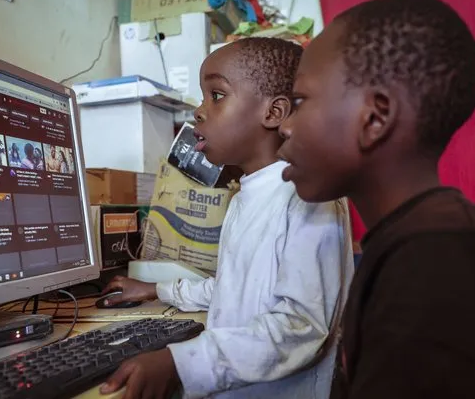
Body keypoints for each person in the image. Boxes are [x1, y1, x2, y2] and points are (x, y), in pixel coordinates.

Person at [276, 0, 475, 399]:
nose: (284, 126)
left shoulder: (439, 261)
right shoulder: (411, 244)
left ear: (375, 118)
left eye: (299, 102)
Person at [100, 37, 354, 399]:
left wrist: (182, 363)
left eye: (216, 95)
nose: (199, 111)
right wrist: (156, 290)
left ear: (273, 112)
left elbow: (301, 327)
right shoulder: (246, 196)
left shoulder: (309, 197)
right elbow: (237, 290)